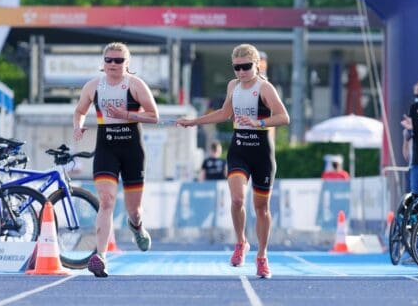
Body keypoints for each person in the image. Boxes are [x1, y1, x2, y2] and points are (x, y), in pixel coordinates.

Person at [177, 44, 289, 279]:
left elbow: (284, 117)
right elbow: (224, 113)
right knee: (237, 199)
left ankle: (262, 255)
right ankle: (241, 243)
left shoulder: (265, 88)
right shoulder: (233, 86)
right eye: (236, 68)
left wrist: (258, 123)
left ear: (256, 65)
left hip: (261, 153)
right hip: (239, 151)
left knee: (261, 208)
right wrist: (193, 122)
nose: (240, 72)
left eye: (246, 67)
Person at [73, 42, 159, 278]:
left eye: (118, 60)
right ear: (103, 63)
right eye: (109, 60)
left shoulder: (135, 85)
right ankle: (100, 256)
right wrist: (78, 127)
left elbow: (154, 115)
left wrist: (127, 115)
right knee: (107, 200)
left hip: (131, 151)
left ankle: (137, 226)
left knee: (134, 210)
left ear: (127, 63)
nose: (113, 64)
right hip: (106, 149)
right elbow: (80, 111)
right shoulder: (93, 86)